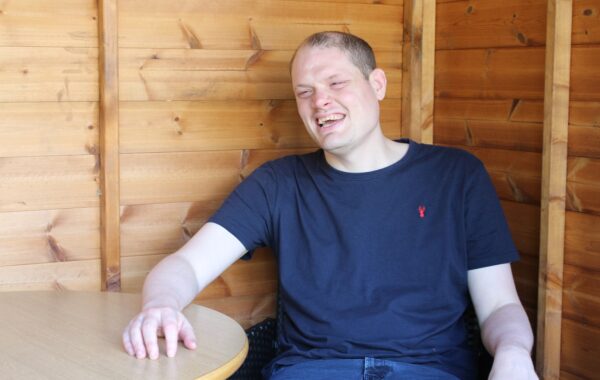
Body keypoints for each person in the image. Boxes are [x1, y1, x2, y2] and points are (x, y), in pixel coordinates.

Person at [122, 31, 538, 380]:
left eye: (336, 84)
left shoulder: (456, 175)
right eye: (305, 92)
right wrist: (161, 305)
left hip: (429, 371)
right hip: (313, 369)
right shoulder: (278, 183)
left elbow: (500, 304)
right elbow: (188, 265)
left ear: (377, 85)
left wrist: (515, 351)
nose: (319, 101)